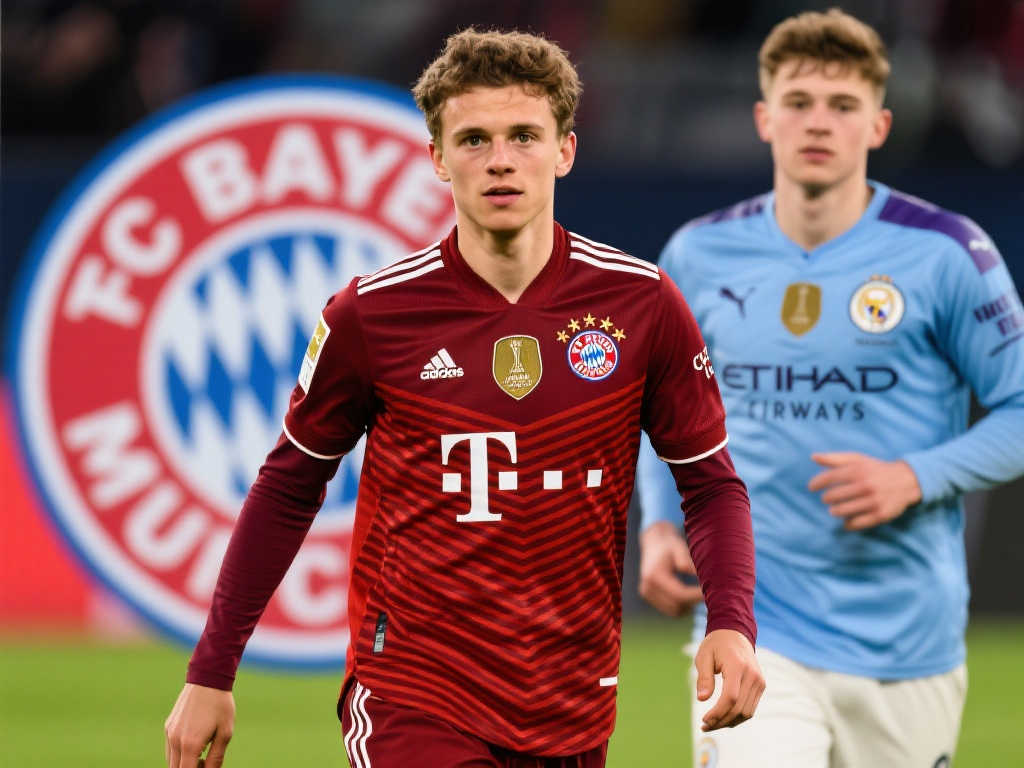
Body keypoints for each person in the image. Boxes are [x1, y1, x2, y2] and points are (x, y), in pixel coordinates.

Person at [164, 28, 765, 768]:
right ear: (438, 159)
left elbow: (710, 484)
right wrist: (212, 671)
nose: (500, 159)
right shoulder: (371, 315)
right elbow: (289, 485)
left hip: (571, 697)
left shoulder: (641, 304)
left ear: (565, 151)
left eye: (524, 136)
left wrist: (731, 622)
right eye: (474, 139)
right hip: (413, 689)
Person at [636, 8, 1024, 768]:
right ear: (764, 118)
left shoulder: (946, 252)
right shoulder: (700, 254)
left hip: (906, 643)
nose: (819, 122)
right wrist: (658, 524)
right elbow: (664, 409)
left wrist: (915, 475)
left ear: (878, 125)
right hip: (753, 629)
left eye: (843, 105)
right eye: (799, 101)